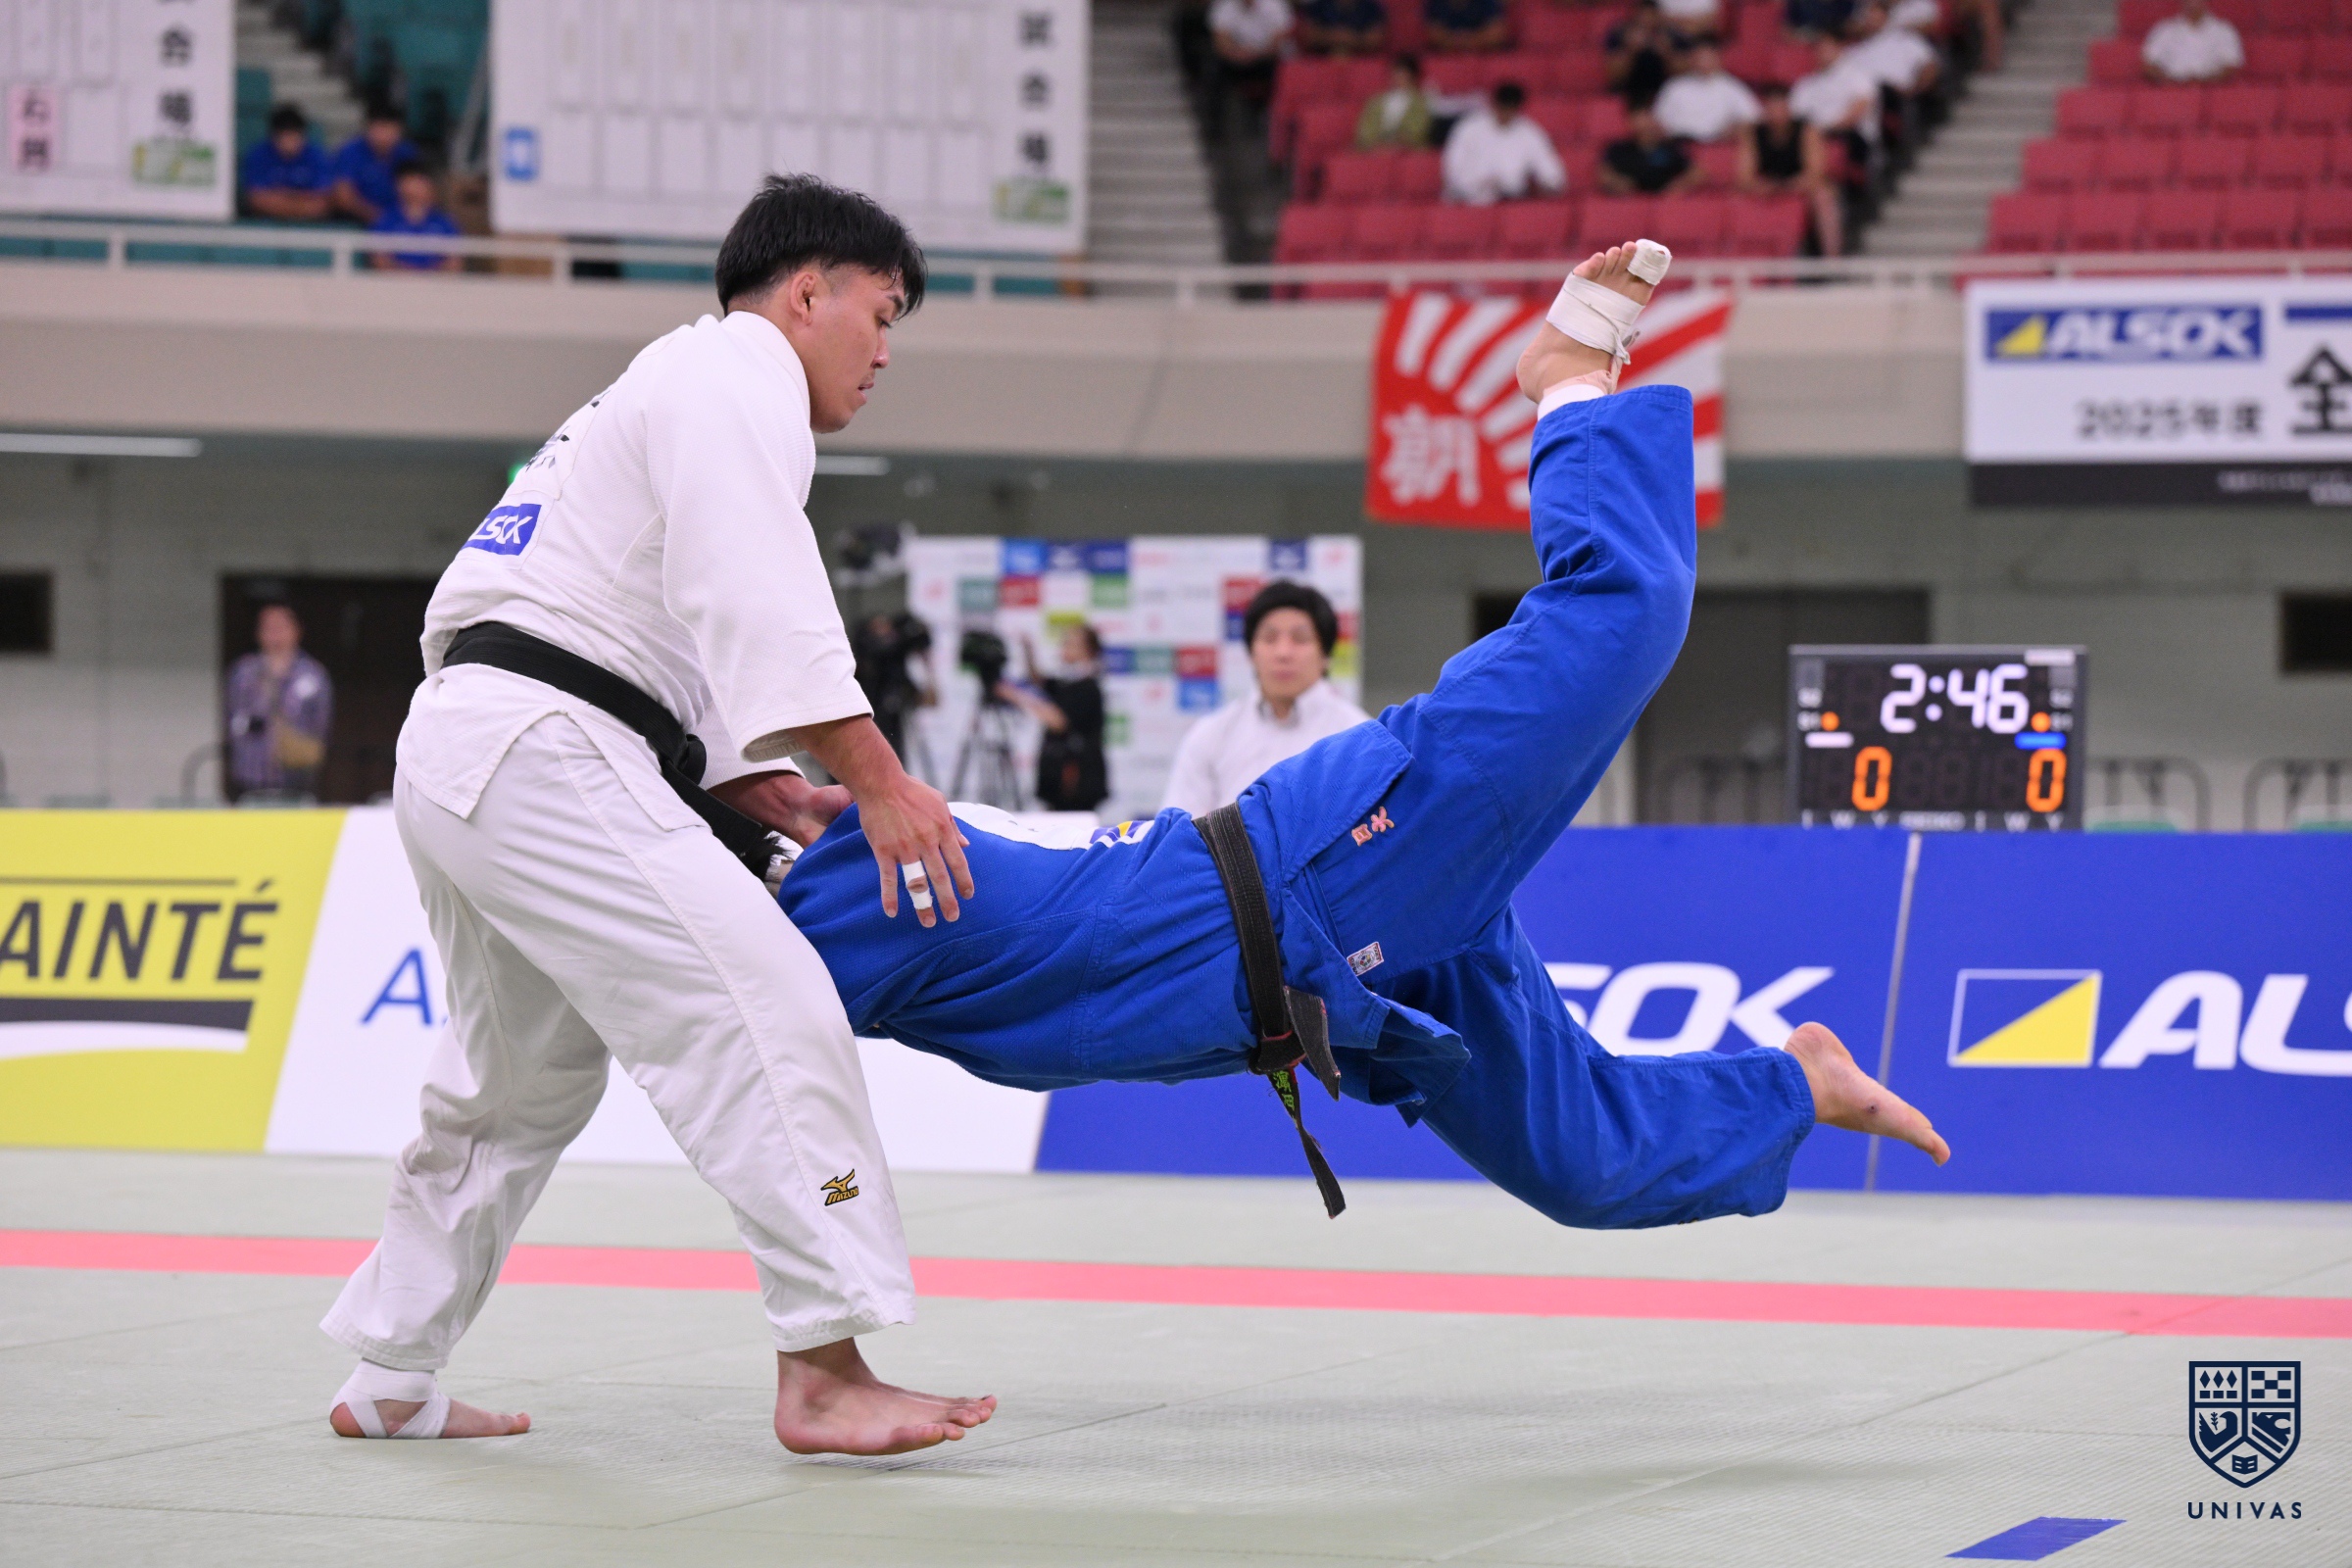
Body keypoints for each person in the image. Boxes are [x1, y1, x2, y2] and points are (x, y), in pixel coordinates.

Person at [776, 244, 1951, 1239]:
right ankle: (1797, 1085)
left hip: (1331, 869)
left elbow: (731, 952)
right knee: (1584, 1161)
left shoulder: (840, 899)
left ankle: (1566, 380)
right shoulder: (811, 937)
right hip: (1334, 973)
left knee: (1624, 611)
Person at [320, 174, 991, 1456]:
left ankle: (391, 1370)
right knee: (765, 1006)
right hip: (540, 747)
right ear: (808, 293)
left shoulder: (662, 388)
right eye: (884, 311)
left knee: (517, 1085)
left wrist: (759, 784)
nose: (885, 350)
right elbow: (754, 588)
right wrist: (877, 777)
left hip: (470, 744)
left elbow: (641, 624)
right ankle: (826, 1371)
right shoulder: (740, 371)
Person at [1163, 581, 1371, 817]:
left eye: (1300, 639)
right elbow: (1179, 830)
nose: (1283, 653)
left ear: (1326, 654)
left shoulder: (1358, 737)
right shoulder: (1211, 734)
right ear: (1251, 652)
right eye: (1269, 638)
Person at [995, 623, 1110, 814]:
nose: (1064, 647)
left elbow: (1059, 721)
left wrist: (1016, 696)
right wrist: (1028, 651)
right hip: (1057, 777)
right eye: (1065, 642)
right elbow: (1039, 681)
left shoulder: (1088, 687)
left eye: (1071, 644)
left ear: (1088, 651)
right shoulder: (1068, 681)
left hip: (1076, 782)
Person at [224, 603, 333, 801]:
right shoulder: (244, 672)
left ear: (296, 631)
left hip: (297, 774)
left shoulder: (312, 673)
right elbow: (232, 719)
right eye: (268, 628)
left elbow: (321, 724)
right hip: (250, 775)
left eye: (281, 627)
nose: (275, 635)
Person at [1738, 83, 1844, 255]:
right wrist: (1762, 187)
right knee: (1736, 200)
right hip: (1768, 186)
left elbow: (1816, 172)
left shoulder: (1806, 130)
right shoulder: (1754, 134)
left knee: (1823, 196)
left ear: (1788, 108)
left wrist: (1792, 186)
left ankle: (1832, 257)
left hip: (1801, 185)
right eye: (1772, 107)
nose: (1776, 113)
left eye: (1780, 107)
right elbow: (1744, 176)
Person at [1442, 81, 1568, 204]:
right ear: (1494, 104)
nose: (1506, 114)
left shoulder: (1530, 133)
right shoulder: (1468, 129)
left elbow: (1553, 177)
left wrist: (1537, 186)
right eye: (1503, 108)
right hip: (1470, 203)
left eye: (1511, 109)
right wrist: (1483, 186)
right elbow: (1453, 173)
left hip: (1514, 204)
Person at [1789, 35, 1879, 178]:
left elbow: (1858, 111)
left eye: (1827, 48)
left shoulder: (1858, 76)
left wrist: (1825, 130)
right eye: (1819, 49)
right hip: (1811, 135)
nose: (1822, 52)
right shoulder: (1805, 84)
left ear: (1839, 48)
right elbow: (1795, 118)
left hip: (1848, 134)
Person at [1652, 44, 1762, 145]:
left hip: (1718, 145)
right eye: (1700, 58)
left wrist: (1735, 128)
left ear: (1718, 59)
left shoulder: (1733, 87)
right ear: (1692, 59)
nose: (1704, 62)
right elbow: (1658, 119)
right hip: (1678, 144)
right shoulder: (1674, 86)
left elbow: (1753, 116)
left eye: (1708, 58)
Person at [240, 104, 333, 221]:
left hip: (310, 224)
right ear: (274, 136)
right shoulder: (258, 156)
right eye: (286, 136)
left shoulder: (316, 156)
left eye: (294, 136)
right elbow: (256, 200)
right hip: (265, 223)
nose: (290, 142)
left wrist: (280, 200)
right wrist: (301, 201)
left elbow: (322, 203)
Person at [329, 103, 416, 227]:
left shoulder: (408, 153)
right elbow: (343, 197)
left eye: (390, 129)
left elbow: (420, 194)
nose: (384, 136)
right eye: (380, 129)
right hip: (357, 220)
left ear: (399, 130)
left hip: (398, 223)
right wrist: (380, 218)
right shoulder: (350, 152)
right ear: (368, 128)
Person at [366, 160, 461, 271]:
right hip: (394, 281)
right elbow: (379, 259)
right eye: (414, 180)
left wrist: (428, 277)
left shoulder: (445, 222)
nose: (420, 186)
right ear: (400, 184)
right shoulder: (385, 220)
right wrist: (407, 275)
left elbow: (454, 261)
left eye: (423, 180)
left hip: (435, 282)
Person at [1209, 0, 1295, 120]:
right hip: (1236, 60)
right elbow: (1221, 42)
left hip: (1268, 59)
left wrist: (1256, 54)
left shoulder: (1276, 5)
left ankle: (1276, 118)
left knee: (1284, 73)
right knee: (1214, 72)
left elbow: (1279, 42)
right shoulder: (1223, 6)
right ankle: (1215, 123)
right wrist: (1238, 53)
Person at [1598, 106, 1699, 195]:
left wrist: (1678, 187)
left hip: (1666, 201)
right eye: (1640, 119)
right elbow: (1604, 174)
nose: (1646, 124)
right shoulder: (1619, 148)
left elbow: (1697, 173)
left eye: (1648, 118)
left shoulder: (1672, 147)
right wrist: (1618, 184)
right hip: (1629, 201)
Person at [2142, 0, 2241, 83]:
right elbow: (2149, 65)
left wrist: (2204, 82)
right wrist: (2171, 83)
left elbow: (2231, 66)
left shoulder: (2224, 30)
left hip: (2212, 90)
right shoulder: (2163, 29)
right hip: (2172, 91)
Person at [1605, 5, 1678, 110]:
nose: (1647, 20)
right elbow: (1613, 75)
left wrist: (1665, 53)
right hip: (1628, 93)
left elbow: (1682, 74)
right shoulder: (1620, 34)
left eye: (1651, 16)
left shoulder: (1670, 35)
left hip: (1662, 92)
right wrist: (1631, 50)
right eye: (1644, 16)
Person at [1356, 53, 1434, 149]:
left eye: (1403, 75)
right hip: (1376, 149)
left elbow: (1419, 130)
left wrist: (1399, 141)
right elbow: (1365, 130)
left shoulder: (1421, 102)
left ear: (1412, 77)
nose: (1398, 78)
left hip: (1407, 149)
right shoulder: (1376, 101)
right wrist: (1376, 143)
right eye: (1396, 74)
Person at [1297, 0, 1389, 54]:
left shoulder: (1371, 7)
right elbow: (1309, 36)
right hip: (1321, 62)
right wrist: (1333, 37)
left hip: (1362, 64)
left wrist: (1350, 38)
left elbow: (1375, 39)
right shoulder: (1318, 6)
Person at [1425, 0, 1511, 52]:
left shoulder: (1487, 2)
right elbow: (1433, 34)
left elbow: (1496, 34)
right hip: (1445, 58)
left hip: (1483, 56)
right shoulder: (1437, 3)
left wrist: (1470, 41)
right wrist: (1456, 42)